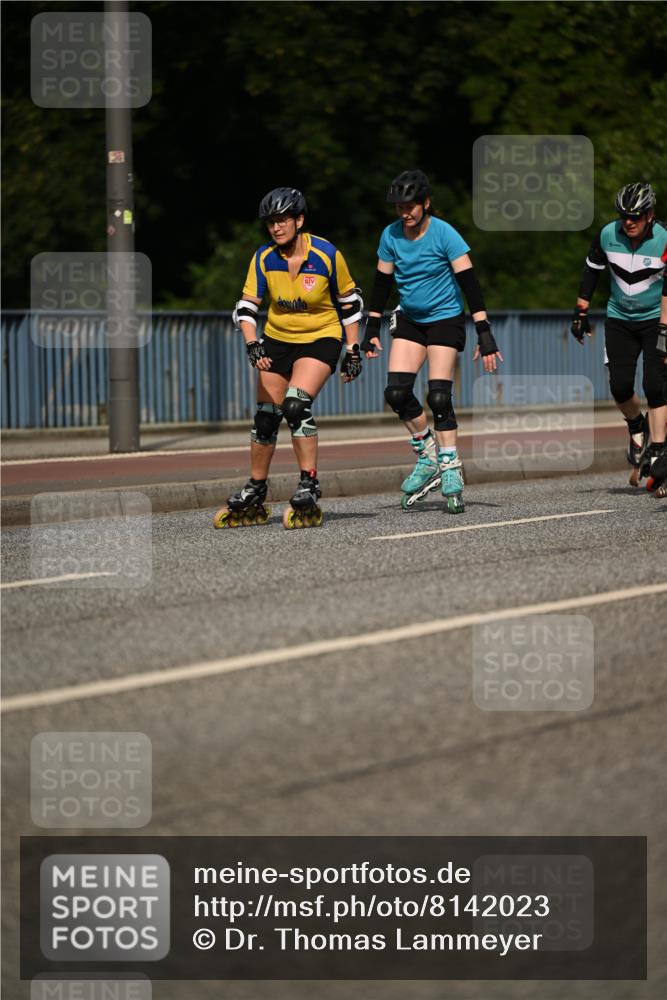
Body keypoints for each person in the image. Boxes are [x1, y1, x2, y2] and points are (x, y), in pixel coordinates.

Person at [213, 187, 363, 529]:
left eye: (282, 221)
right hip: (278, 339)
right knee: (266, 417)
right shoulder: (264, 258)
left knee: (295, 406)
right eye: (270, 223)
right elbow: (247, 306)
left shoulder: (326, 254)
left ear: (299, 220)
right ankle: (256, 487)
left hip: (321, 336)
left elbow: (350, 304)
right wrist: (253, 344)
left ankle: (309, 482)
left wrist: (353, 349)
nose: (276, 228)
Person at [360, 169, 502, 513]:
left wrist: (484, 331)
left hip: (445, 318)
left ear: (426, 203)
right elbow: (382, 284)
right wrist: (371, 329)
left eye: (410, 206)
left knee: (438, 396)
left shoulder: (444, 233)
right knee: (396, 392)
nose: (405, 213)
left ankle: (451, 466)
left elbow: (469, 282)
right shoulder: (390, 236)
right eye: (399, 207)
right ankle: (427, 456)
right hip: (410, 318)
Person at [570, 182, 667, 486]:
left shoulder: (664, 238)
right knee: (620, 386)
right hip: (619, 319)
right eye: (624, 215)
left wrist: (665, 327)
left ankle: (659, 450)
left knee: (654, 384)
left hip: (656, 320)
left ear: (650, 215)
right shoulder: (608, 234)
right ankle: (637, 425)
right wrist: (581, 311)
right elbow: (591, 271)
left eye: (636, 216)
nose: (629, 222)